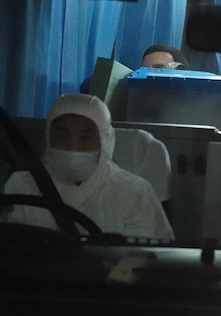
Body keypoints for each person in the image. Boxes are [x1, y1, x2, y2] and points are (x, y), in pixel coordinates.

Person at [2, 94, 174, 239]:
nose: (72, 147)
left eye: (85, 138)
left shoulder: (134, 193)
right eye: (62, 136)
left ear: (104, 141)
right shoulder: (21, 186)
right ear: (48, 138)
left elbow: (146, 260)